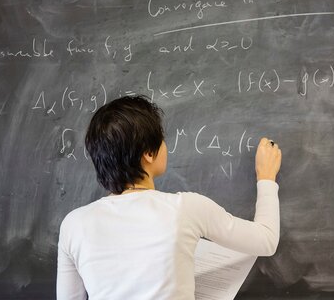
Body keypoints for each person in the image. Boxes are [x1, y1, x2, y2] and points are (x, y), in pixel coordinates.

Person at [57, 95, 281, 300]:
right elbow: (266, 240)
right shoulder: (186, 208)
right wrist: (267, 178)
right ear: (149, 152)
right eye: (161, 139)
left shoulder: (74, 225)